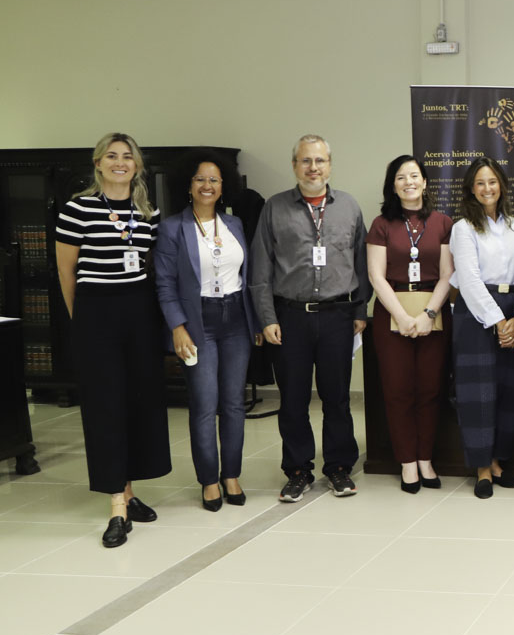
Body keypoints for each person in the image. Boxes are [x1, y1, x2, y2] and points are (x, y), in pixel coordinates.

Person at [54, 132, 170, 547]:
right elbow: (67, 272)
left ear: (137, 166)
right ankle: (116, 506)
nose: (120, 162)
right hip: (96, 311)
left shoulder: (146, 211)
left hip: (138, 310)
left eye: (128, 157)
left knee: (138, 402)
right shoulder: (77, 208)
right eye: (112, 156)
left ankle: (130, 490)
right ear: (99, 163)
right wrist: (81, 319)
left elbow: (150, 265)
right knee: (105, 407)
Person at [249, 134, 370, 503]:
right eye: (305, 161)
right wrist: (267, 317)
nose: (313, 168)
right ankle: (298, 469)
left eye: (319, 161)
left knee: (336, 398)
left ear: (330, 165)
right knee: (294, 399)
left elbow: (362, 263)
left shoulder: (348, 207)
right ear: (295, 166)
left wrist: (360, 310)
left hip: (338, 316)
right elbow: (260, 267)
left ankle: (338, 467)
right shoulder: (274, 208)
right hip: (290, 317)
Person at [155, 151, 258, 512]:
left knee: (233, 404)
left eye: (214, 180)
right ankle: (209, 480)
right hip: (198, 323)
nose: (207, 185)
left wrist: (255, 322)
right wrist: (178, 327)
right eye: (201, 179)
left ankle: (231, 474)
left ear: (222, 186)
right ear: (188, 184)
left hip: (236, 322)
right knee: (204, 403)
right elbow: (165, 284)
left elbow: (247, 279)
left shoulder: (234, 225)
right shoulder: (171, 228)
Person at [366, 155, 453, 493]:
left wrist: (428, 314)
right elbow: (376, 275)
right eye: (401, 177)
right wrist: (401, 316)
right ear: (393, 185)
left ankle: (425, 459)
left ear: (425, 181)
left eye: (414, 176)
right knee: (398, 391)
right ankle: (407, 463)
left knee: (430, 391)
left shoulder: (443, 222)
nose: (408, 182)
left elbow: (447, 274)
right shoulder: (381, 224)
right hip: (392, 313)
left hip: (433, 311)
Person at [450, 158, 514, 499]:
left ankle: (497, 462)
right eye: (480, 183)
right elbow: (467, 280)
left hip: (513, 312)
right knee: (478, 394)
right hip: (476, 314)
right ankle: (481, 468)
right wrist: (498, 321)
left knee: (508, 391)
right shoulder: (464, 228)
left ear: (502, 185)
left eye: (492, 182)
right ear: (470, 188)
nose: (487, 189)